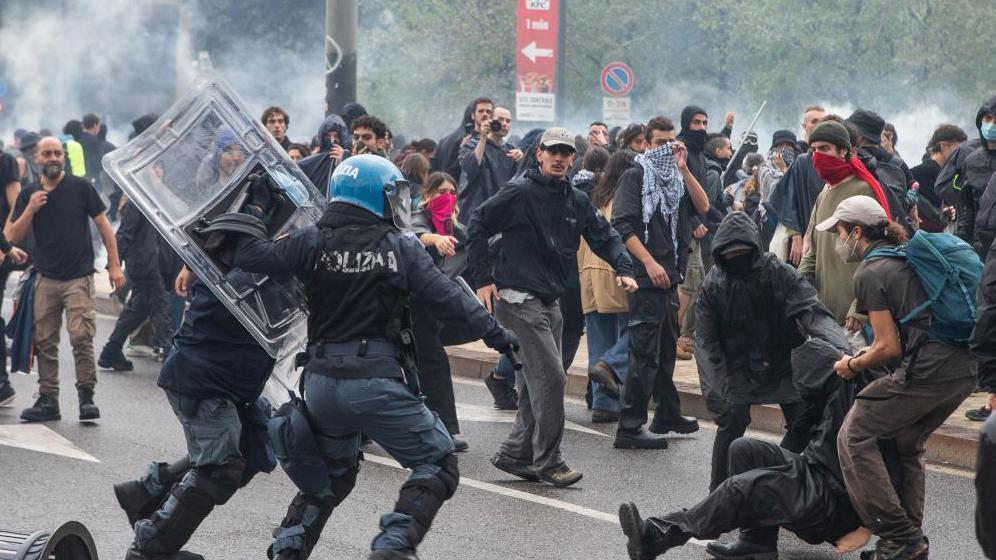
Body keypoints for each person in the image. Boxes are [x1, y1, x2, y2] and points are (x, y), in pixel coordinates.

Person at [223, 155, 517, 560]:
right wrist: (498, 335)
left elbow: (248, 256)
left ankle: (287, 550)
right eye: (393, 195)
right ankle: (393, 546)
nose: (398, 203)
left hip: (321, 384)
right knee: (438, 462)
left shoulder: (310, 240)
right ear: (373, 196)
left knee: (329, 480)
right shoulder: (401, 246)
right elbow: (446, 296)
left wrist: (254, 206)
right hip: (375, 381)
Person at [617, 317, 884, 560]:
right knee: (744, 450)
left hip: (832, 505)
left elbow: (899, 466)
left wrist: (867, 526)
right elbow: (796, 439)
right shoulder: (829, 391)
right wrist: (774, 477)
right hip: (813, 477)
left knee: (744, 488)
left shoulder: (868, 402)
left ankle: (655, 535)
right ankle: (757, 543)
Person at [468, 128, 637, 486]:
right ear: (539, 154)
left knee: (536, 383)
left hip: (550, 301)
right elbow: (478, 222)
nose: (559, 158)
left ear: (573, 159)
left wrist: (623, 267)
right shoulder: (518, 192)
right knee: (552, 378)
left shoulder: (575, 199)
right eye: (552, 151)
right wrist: (483, 278)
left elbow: (604, 235)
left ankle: (517, 453)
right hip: (516, 299)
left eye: (565, 152)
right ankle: (549, 461)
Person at [822, 196, 977, 560]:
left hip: (932, 369)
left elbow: (887, 347)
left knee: (855, 434)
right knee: (908, 440)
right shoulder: (904, 256)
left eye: (839, 233)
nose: (836, 241)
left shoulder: (871, 273)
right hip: (965, 368)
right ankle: (909, 540)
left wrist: (852, 364)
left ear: (856, 232)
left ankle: (898, 536)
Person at [114, 266, 277, 560]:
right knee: (219, 469)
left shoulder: (251, 269)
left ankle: (145, 491)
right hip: (205, 384)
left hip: (219, 382)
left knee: (246, 451)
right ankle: (151, 546)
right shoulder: (250, 277)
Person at [694, 212, 820, 491]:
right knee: (732, 419)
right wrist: (716, 396)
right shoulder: (713, 286)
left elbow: (812, 311)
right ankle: (719, 494)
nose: (737, 260)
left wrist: (839, 351)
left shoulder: (779, 272)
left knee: (805, 421)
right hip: (738, 362)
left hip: (783, 358)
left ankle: (775, 477)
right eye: (731, 254)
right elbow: (705, 343)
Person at [5, 136, 125, 422]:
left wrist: (115, 265)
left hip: (78, 277)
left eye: (58, 153)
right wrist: (31, 209)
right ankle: (48, 399)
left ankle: (86, 398)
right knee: (45, 340)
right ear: (37, 159)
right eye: (47, 154)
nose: (54, 158)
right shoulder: (29, 193)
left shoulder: (81, 188)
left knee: (82, 336)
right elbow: (12, 236)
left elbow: (105, 227)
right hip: (45, 278)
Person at [611, 133, 710, 449]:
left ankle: (667, 413)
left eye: (673, 142)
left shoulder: (674, 181)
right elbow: (623, 226)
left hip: (670, 276)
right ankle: (629, 426)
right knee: (643, 354)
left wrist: (684, 169)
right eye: (660, 142)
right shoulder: (636, 176)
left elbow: (703, 205)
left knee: (666, 349)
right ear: (646, 144)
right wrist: (649, 264)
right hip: (645, 277)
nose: (668, 148)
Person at [798, 120, 893, 329]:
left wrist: (859, 307)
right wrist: (793, 284)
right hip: (825, 315)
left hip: (856, 319)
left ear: (843, 151)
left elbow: (879, 253)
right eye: (813, 150)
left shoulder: (863, 189)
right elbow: (813, 254)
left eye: (824, 149)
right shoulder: (824, 193)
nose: (817, 156)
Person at [410, 171, 469, 451]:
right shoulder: (418, 217)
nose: (447, 197)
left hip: (433, 308)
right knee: (430, 362)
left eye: (452, 191)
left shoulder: (455, 226)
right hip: (409, 304)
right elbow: (417, 234)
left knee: (428, 363)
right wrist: (437, 239)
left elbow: (476, 244)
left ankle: (443, 426)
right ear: (427, 195)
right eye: (441, 191)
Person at [581, 149, 635, 423]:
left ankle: (604, 405)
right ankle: (612, 364)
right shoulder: (624, 199)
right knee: (638, 330)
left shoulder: (595, 198)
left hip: (588, 275)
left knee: (598, 339)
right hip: (616, 272)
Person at [769, 105, 828, 267]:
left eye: (823, 121)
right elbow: (788, 199)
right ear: (805, 126)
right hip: (805, 236)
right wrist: (796, 236)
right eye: (815, 121)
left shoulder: (835, 160)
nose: (819, 125)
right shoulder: (802, 162)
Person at [939, 94, 996, 258]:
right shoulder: (972, 160)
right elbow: (967, 208)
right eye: (988, 119)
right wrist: (961, 245)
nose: (991, 125)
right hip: (978, 247)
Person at [457, 106, 522, 225]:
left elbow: (519, 182)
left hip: (500, 212)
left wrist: (522, 160)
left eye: (508, 121)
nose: (504, 124)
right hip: (474, 210)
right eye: (500, 120)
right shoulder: (472, 144)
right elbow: (471, 168)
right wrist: (483, 138)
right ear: (490, 121)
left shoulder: (512, 151)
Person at [911, 124, 967, 233]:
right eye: (959, 149)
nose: (962, 154)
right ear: (943, 146)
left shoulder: (941, 172)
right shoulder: (925, 172)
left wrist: (944, 213)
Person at [431, 97, 494, 182]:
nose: (485, 114)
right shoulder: (464, 141)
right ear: (472, 115)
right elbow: (451, 173)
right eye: (481, 111)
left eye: (488, 112)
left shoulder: (497, 142)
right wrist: (463, 151)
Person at [297, 114, 349, 195]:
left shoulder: (350, 162)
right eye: (328, 136)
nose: (332, 140)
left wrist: (344, 162)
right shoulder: (310, 164)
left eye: (336, 136)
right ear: (322, 137)